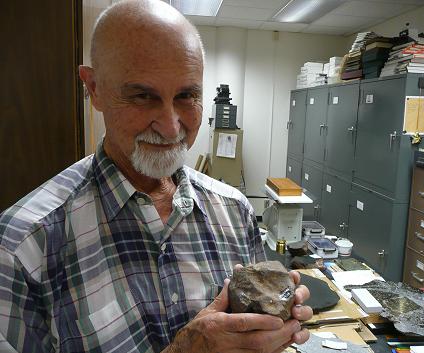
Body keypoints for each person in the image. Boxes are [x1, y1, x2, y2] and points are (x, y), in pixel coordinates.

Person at [0, 0, 313, 352]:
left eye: (186, 95)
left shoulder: (235, 212)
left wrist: (274, 331)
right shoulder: (22, 249)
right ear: (94, 88)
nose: (170, 126)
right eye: (142, 95)